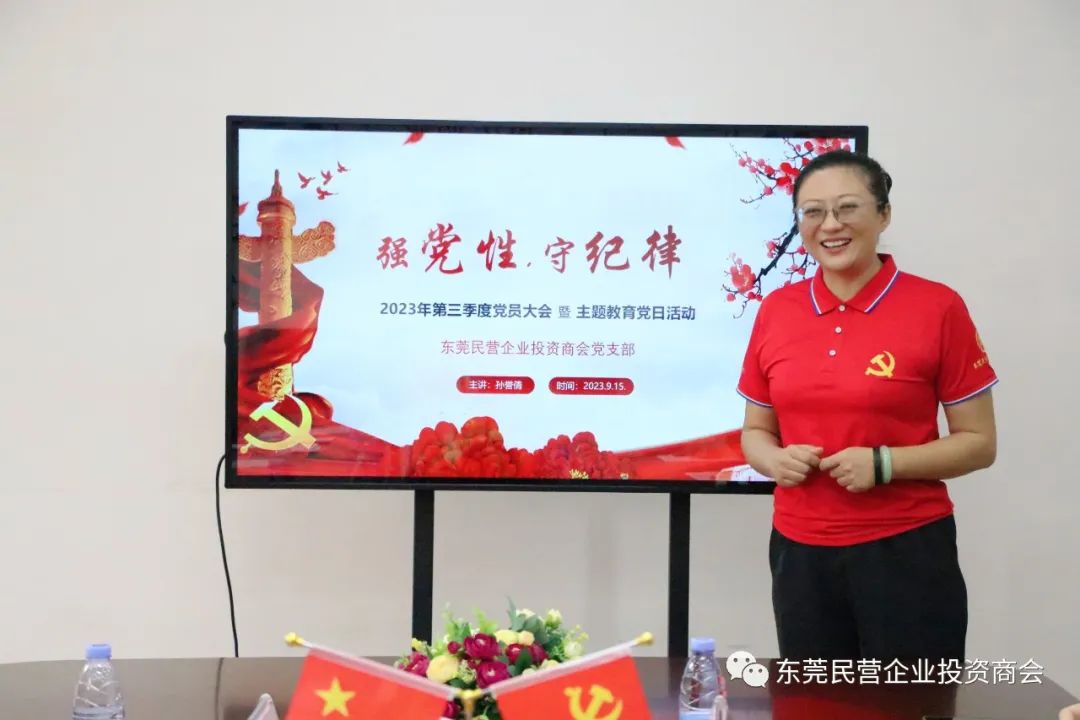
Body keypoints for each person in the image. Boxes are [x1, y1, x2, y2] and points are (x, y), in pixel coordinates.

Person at [736, 149, 998, 665]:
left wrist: (883, 463)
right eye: (813, 212)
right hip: (798, 551)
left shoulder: (938, 307)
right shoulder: (777, 310)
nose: (830, 225)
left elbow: (979, 443)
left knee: (912, 698)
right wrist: (773, 460)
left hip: (906, 549)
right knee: (814, 699)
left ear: (884, 214)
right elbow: (754, 432)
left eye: (847, 207)